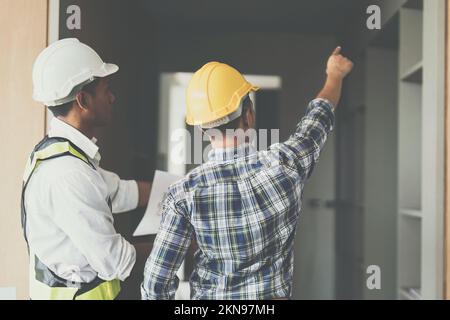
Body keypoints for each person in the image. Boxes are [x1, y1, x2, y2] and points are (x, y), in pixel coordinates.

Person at [141, 47, 353, 299]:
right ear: (249, 115)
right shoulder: (285, 164)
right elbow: (317, 120)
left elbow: (156, 284)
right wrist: (334, 75)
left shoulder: (183, 194)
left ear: (201, 131)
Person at [22, 38, 151, 300]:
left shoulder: (59, 153)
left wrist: (182, 190)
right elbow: (118, 261)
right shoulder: (67, 174)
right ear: (83, 100)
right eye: (106, 90)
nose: (113, 98)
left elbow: (117, 192)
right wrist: (184, 244)